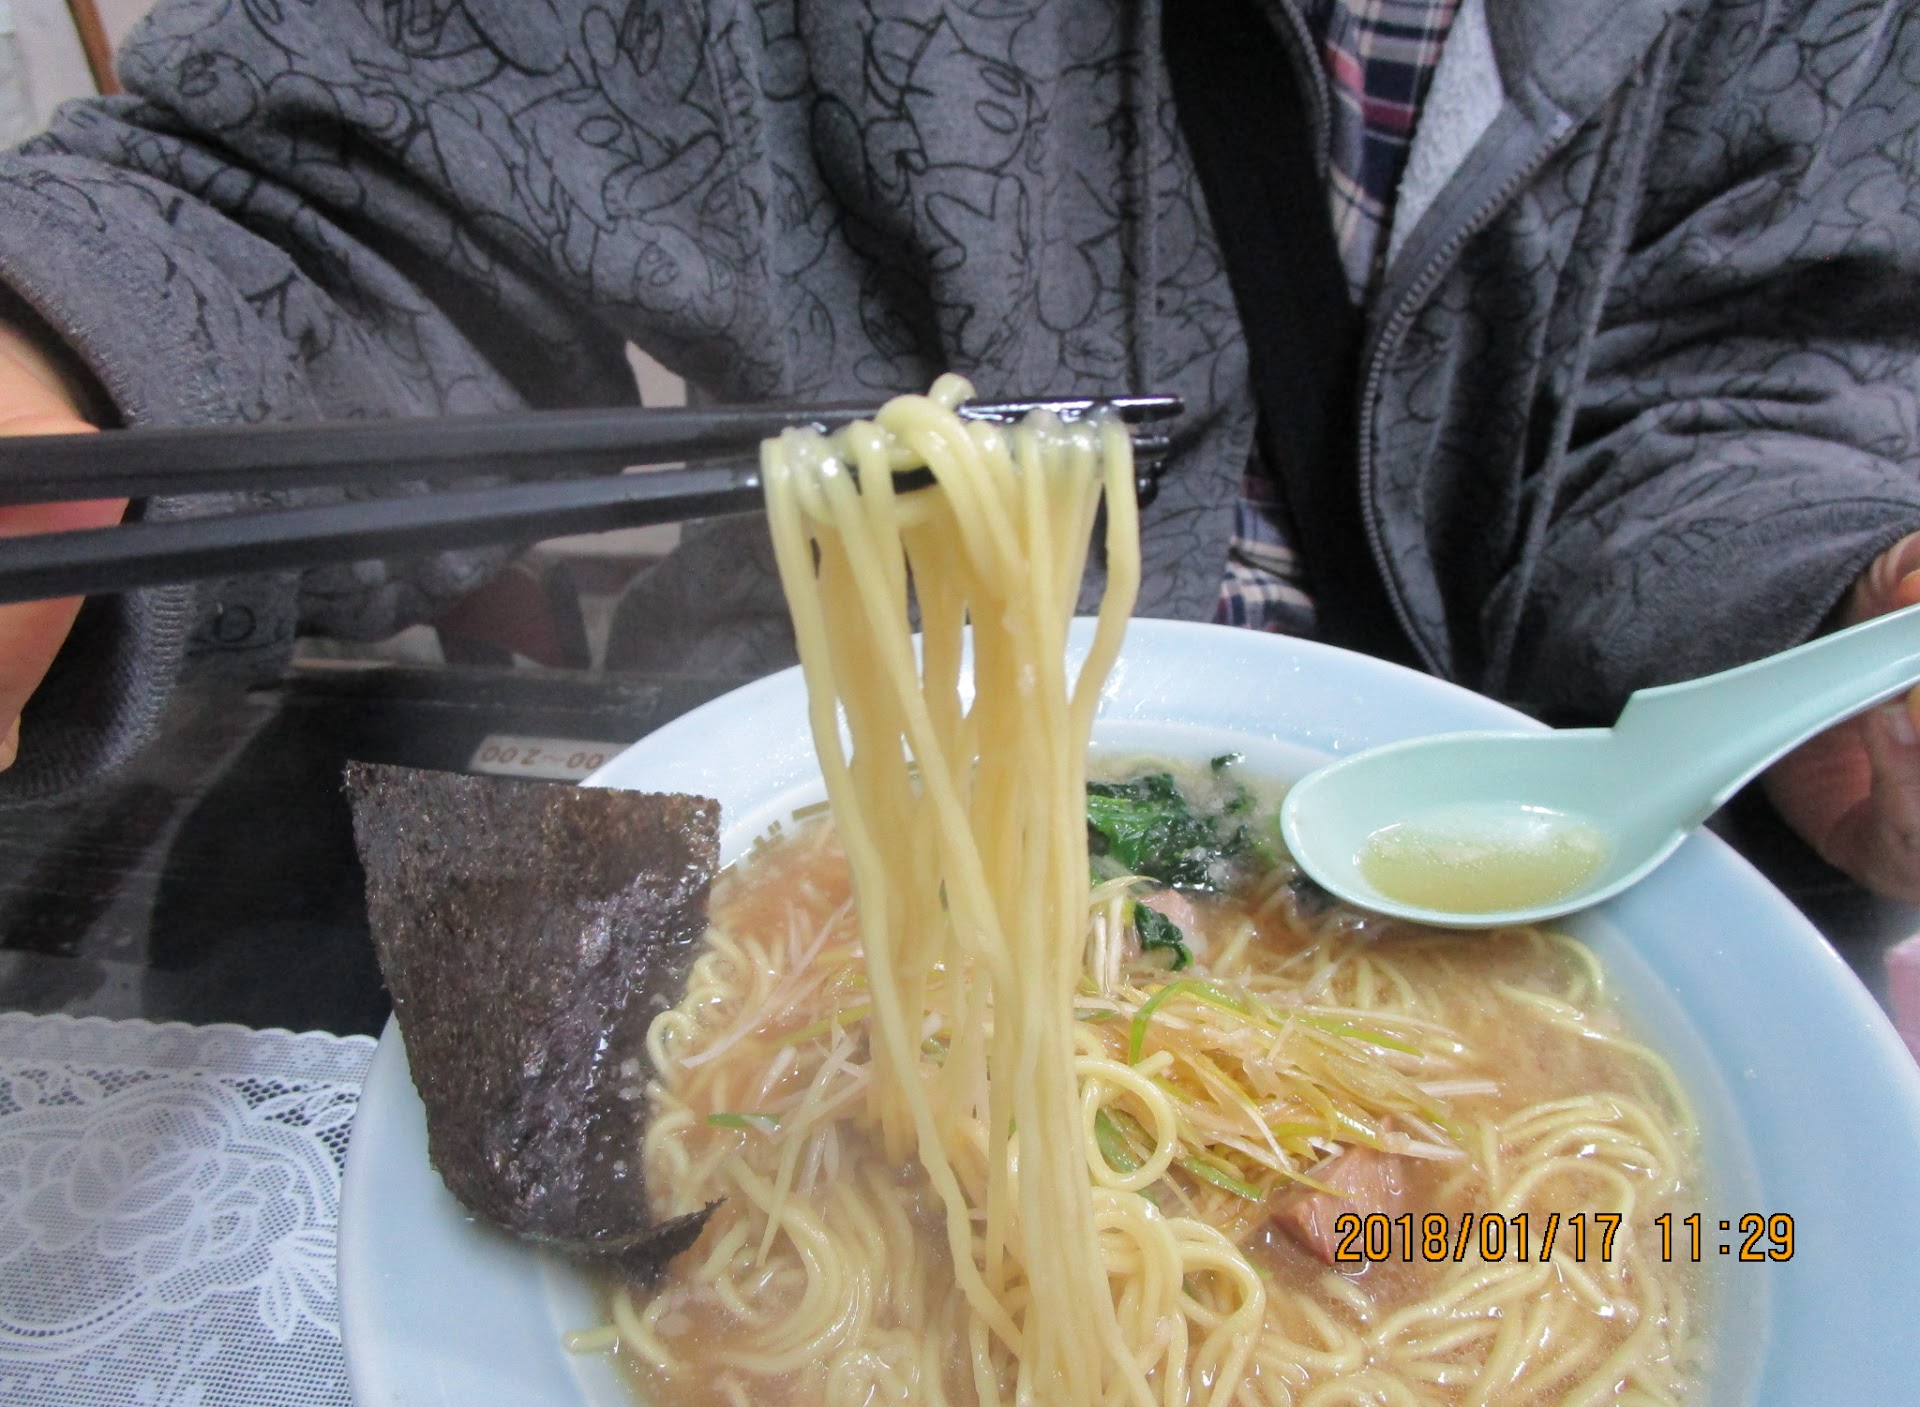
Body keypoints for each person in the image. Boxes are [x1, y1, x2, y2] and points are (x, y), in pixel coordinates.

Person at [2, 0, 1920, 899]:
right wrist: (61, 373)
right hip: (832, 803)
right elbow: (322, 215)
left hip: (1516, 839)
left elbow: (1749, 369)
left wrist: (1843, 605)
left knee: (1660, 1259)